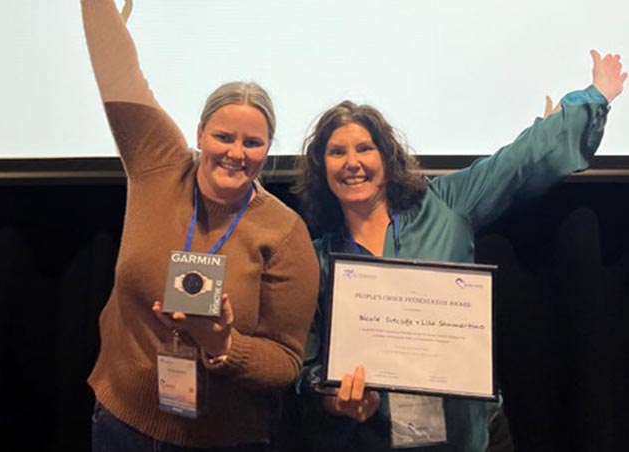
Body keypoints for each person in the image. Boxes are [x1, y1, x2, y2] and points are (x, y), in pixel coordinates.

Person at [294, 50, 625, 452]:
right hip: (376, 440)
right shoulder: (316, 258)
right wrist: (335, 402)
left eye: (364, 148)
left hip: (475, 436)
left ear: (386, 154)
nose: (352, 163)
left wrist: (596, 96)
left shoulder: (445, 203)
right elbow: (306, 368)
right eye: (337, 152)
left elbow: (520, 161)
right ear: (321, 167)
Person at [81, 1, 319, 451]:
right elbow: (119, 74)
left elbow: (287, 360)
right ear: (199, 134)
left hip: (222, 439)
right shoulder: (158, 166)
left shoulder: (284, 233)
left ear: (267, 149)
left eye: (253, 142)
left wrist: (222, 343)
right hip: (122, 424)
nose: (236, 152)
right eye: (223, 136)